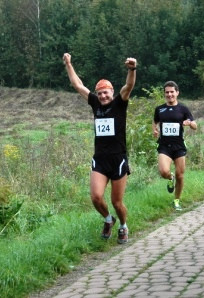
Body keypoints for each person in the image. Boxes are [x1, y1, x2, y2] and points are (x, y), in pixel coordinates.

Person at [62, 53, 136, 244]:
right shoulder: (95, 103)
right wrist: (69, 64)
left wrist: (132, 69)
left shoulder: (120, 103)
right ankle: (108, 219)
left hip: (118, 159)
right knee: (96, 197)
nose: (103, 96)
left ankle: (123, 225)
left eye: (106, 92)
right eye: (100, 93)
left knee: (117, 202)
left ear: (112, 92)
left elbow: (129, 86)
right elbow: (77, 85)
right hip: (100, 159)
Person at [152, 81, 197, 211]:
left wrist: (189, 123)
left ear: (177, 92)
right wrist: (154, 130)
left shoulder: (183, 109)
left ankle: (176, 200)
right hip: (164, 146)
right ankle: (170, 178)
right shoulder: (159, 109)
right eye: (167, 92)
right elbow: (155, 121)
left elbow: (195, 126)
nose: (170, 94)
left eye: (172, 92)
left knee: (180, 175)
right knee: (163, 171)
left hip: (179, 146)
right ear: (164, 94)